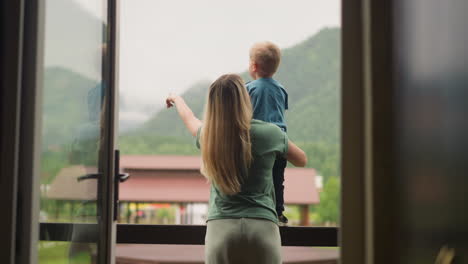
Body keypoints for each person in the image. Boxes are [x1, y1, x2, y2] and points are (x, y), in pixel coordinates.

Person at [166, 74, 307, 264]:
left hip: (221, 229)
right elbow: (301, 160)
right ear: (245, 98)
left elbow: (189, 117)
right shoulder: (271, 133)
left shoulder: (209, 136)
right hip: (262, 228)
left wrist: (176, 99)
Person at [246, 41, 290, 224]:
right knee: (277, 179)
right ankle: (278, 212)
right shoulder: (281, 90)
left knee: (257, 177)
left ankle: (254, 209)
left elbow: (243, 115)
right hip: (280, 141)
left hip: (259, 141)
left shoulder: (249, 89)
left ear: (254, 66)